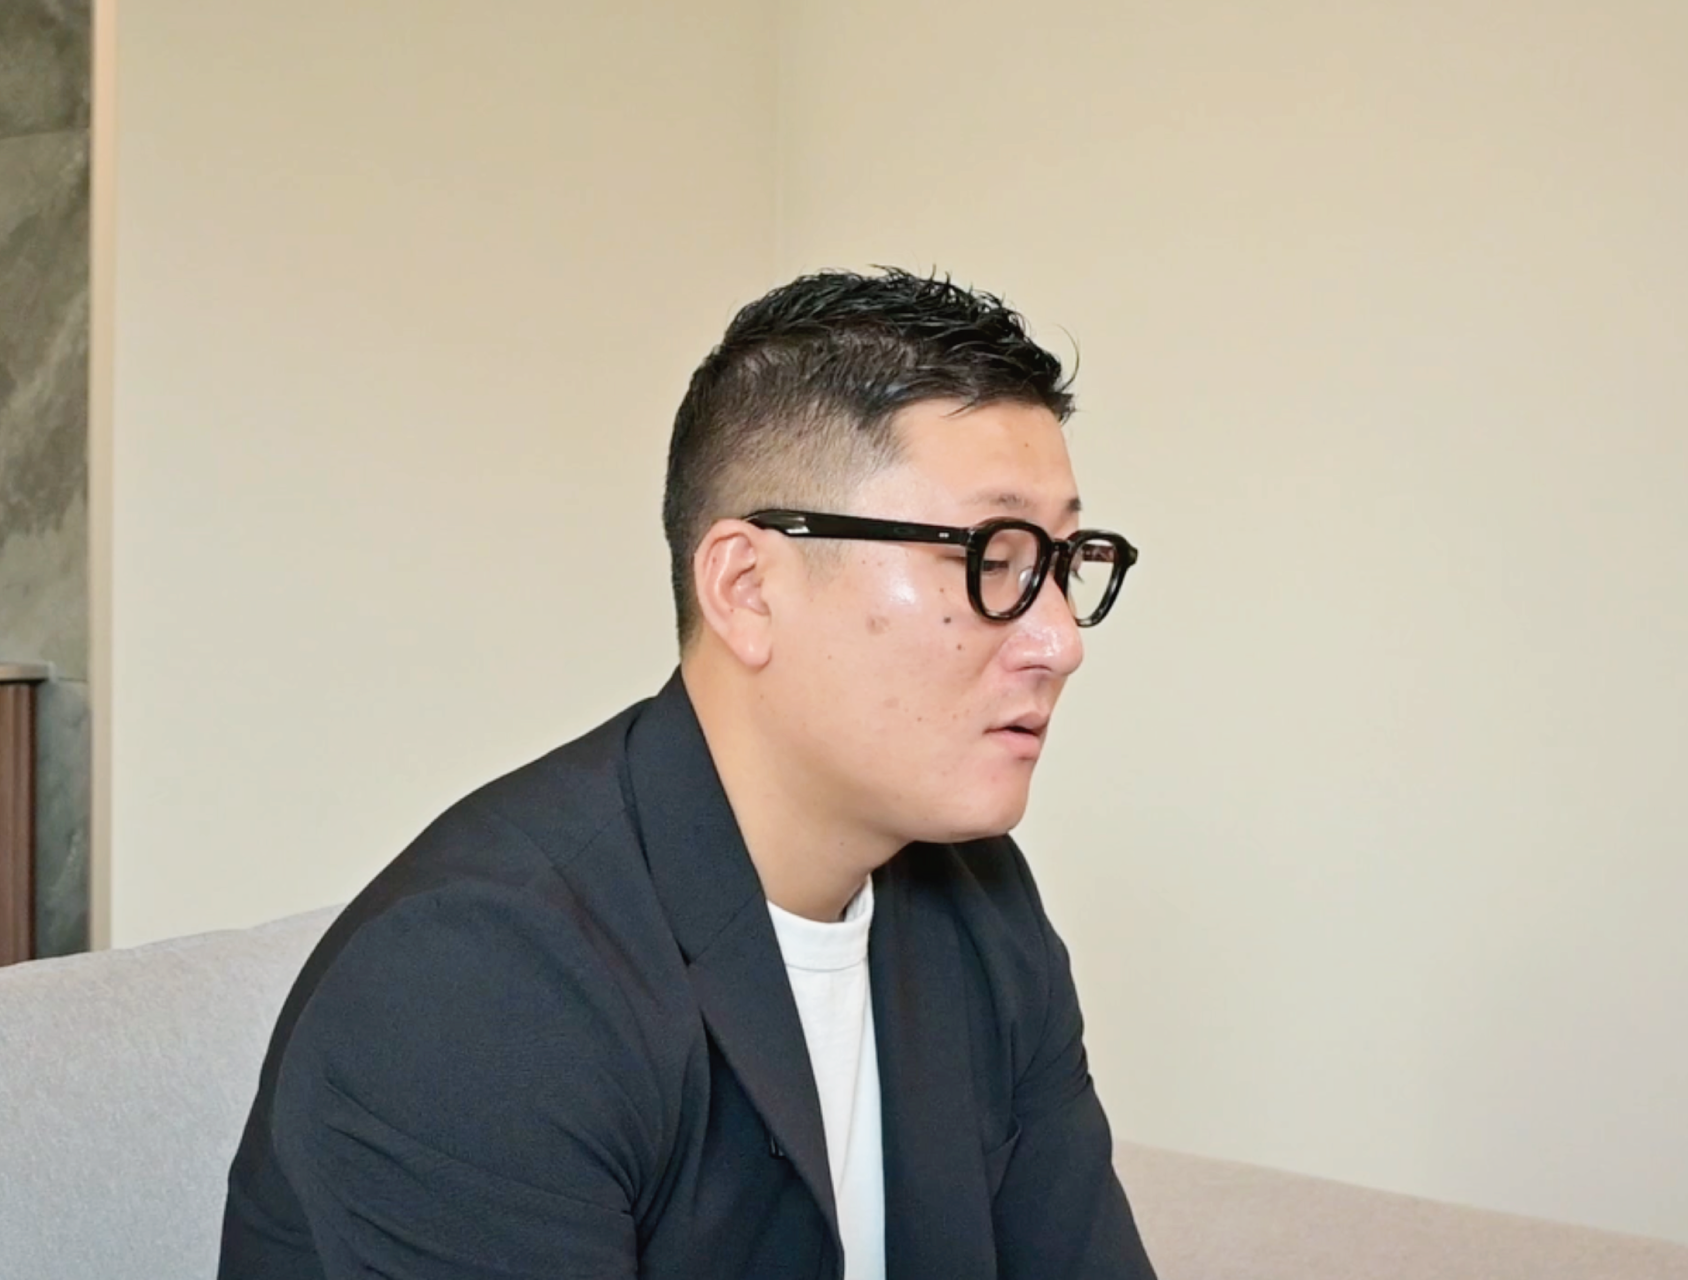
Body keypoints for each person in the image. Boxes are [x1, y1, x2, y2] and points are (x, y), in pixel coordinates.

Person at [217, 268, 1153, 1280]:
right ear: (747, 588)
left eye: (1064, 562)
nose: (1060, 641)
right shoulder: (476, 983)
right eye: (994, 558)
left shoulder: (980, 902)